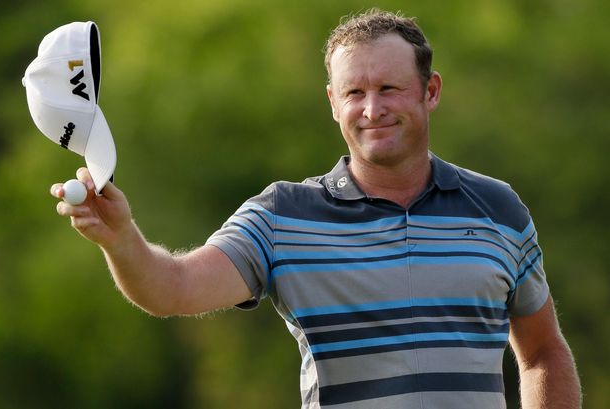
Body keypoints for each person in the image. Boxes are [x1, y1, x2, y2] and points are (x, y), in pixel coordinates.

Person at [51, 9, 581, 409]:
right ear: (332, 102)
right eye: (355, 92)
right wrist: (121, 240)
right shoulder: (283, 215)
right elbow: (173, 289)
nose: (372, 109)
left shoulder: (498, 209)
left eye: (390, 88)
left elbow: (543, 353)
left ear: (430, 91)